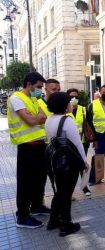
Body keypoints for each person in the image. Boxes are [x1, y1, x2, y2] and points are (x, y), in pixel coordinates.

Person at [7, 72, 49, 228]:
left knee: (39, 179)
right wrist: (36, 117)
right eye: (38, 87)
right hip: (27, 146)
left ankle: (37, 206)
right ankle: (22, 216)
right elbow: (31, 120)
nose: (40, 90)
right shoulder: (17, 98)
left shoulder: (32, 98)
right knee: (26, 182)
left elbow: (43, 116)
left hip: (39, 144)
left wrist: (36, 116)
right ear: (29, 84)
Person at [45, 92, 89, 236]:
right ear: (64, 105)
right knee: (66, 193)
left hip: (53, 161)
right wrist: (84, 161)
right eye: (69, 102)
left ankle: (53, 221)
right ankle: (66, 224)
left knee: (59, 191)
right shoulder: (67, 121)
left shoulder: (49, 119)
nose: (72, 103)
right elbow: (77, 143)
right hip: (67, 163)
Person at [66, 88, 92, 196]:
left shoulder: (83, 109)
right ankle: (69, 190)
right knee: (70, 167)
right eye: (71, 97)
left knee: (83, 164)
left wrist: (93, 139)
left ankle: (85, 186)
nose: (74, 99)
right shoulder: (64, 110)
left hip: (82, 142)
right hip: (68, 144)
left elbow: (90, 124)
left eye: (76, 97)